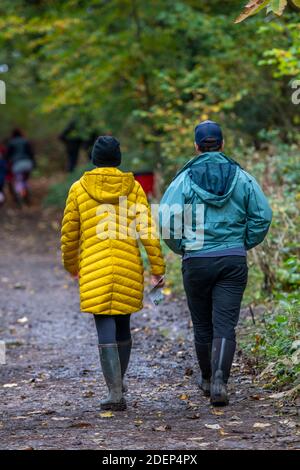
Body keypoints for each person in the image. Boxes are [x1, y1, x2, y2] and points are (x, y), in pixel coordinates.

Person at [159, 120, 272, 406]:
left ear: (196, 146)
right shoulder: (242, 176)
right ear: (222, 144)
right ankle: (221, 379)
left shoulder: (183, 180)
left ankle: (208, 379)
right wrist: (243, 242)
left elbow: (167, 221)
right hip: (232, 259)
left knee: (202, 324)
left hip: (196, 259)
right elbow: (263, 215)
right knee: (225, 324)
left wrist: (183, 247)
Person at [61, 136, 165, 411]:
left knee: (103, 322)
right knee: (123, 323)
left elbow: (70, 234)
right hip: (127, 263)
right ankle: (118, 382)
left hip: (94, 265)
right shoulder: (133, 189)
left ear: (94, 158)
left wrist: (72, 266)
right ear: (118, 159)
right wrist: (157, 269)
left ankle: (114, 390)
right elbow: (148, 231)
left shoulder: (78, 189)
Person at [6, 129, 36, 204]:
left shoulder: (11, 142)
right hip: (27, 163)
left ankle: (20, 197)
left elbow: (7, 155)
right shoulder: (25, 141)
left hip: (17, 164)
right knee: (24, 180)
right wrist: (34, 163)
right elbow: (31, 153)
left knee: (19, 181)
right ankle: (26, 195)